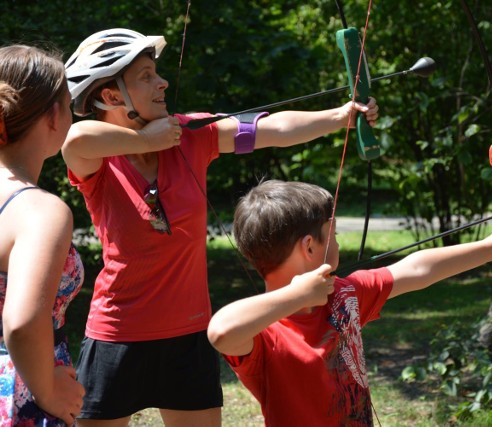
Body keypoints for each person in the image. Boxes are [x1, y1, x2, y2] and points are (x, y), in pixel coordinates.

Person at [62, 28, 379, 426]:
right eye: (145, 76)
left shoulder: (189, 135)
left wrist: (339, 118)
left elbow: (272, 129)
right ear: (111, 97)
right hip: (116, 333)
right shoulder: (99, 160)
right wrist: (145, 140)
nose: (162, 82)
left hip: (189, 335)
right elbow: (75, 139)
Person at [207, 179, 492, 426]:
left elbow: (415, 270)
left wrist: (490, 248)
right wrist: (298, 295)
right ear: (309, 247)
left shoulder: (343, 295)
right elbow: (221, 331)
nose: (337, 241)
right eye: (331, 234)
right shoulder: (264, 334)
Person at [0, 45, 85, 425]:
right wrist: (48, 391)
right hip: (20, 390)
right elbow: (21, 322)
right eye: (69, 104)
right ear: (54, 115)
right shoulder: (40, 211)